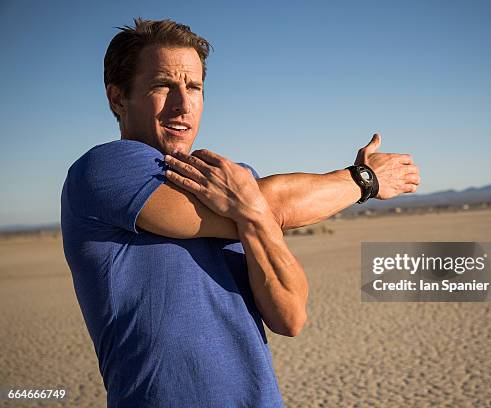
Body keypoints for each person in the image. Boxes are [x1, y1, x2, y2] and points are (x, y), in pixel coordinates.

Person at [61, 18, 420, 407]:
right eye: (163, 85)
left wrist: (252, 214)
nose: (183, 104)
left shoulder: (233, 181)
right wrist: (363, 180)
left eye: (194, 87)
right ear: (118, 98)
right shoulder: (106, 168)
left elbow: (290, 317)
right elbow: (277, 205)